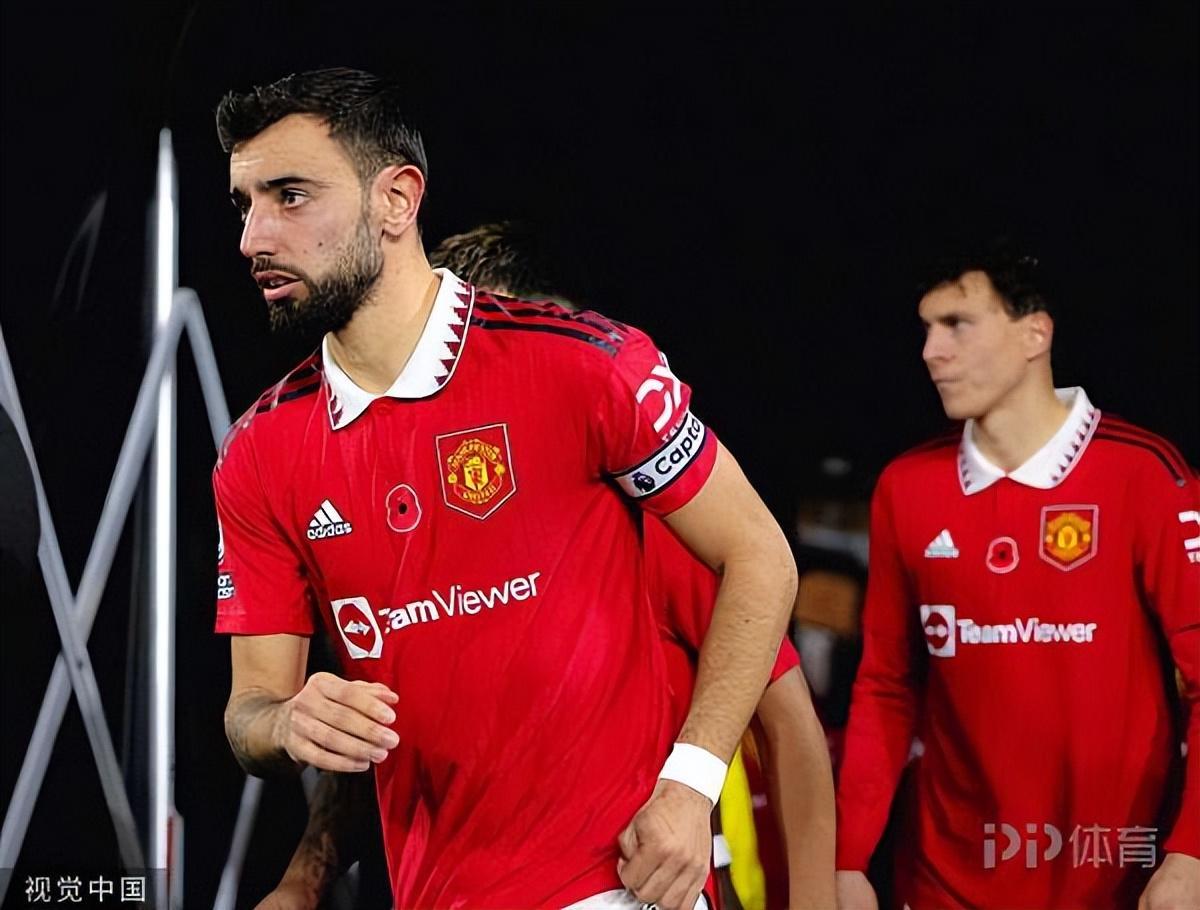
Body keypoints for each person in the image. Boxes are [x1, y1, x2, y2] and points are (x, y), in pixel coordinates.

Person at [211, 68, 799, 910]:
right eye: (245, 205)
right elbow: (250, 709)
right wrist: (284, 723)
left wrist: (691, 784)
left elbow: (761, 556)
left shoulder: (583, 365)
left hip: (615, 888)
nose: (253, 238)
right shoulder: (258, 452)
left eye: (290, 196)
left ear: (397, 200)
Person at [834, 241, 1200, 909]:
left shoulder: (1145, 474)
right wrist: (847, 858)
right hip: (945, 879)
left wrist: (1191, 853)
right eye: (926, 328)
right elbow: (886, 685)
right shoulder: (905, 487)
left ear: (1036, 333)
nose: (931, 352)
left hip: (1115, 873)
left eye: (957, 325)